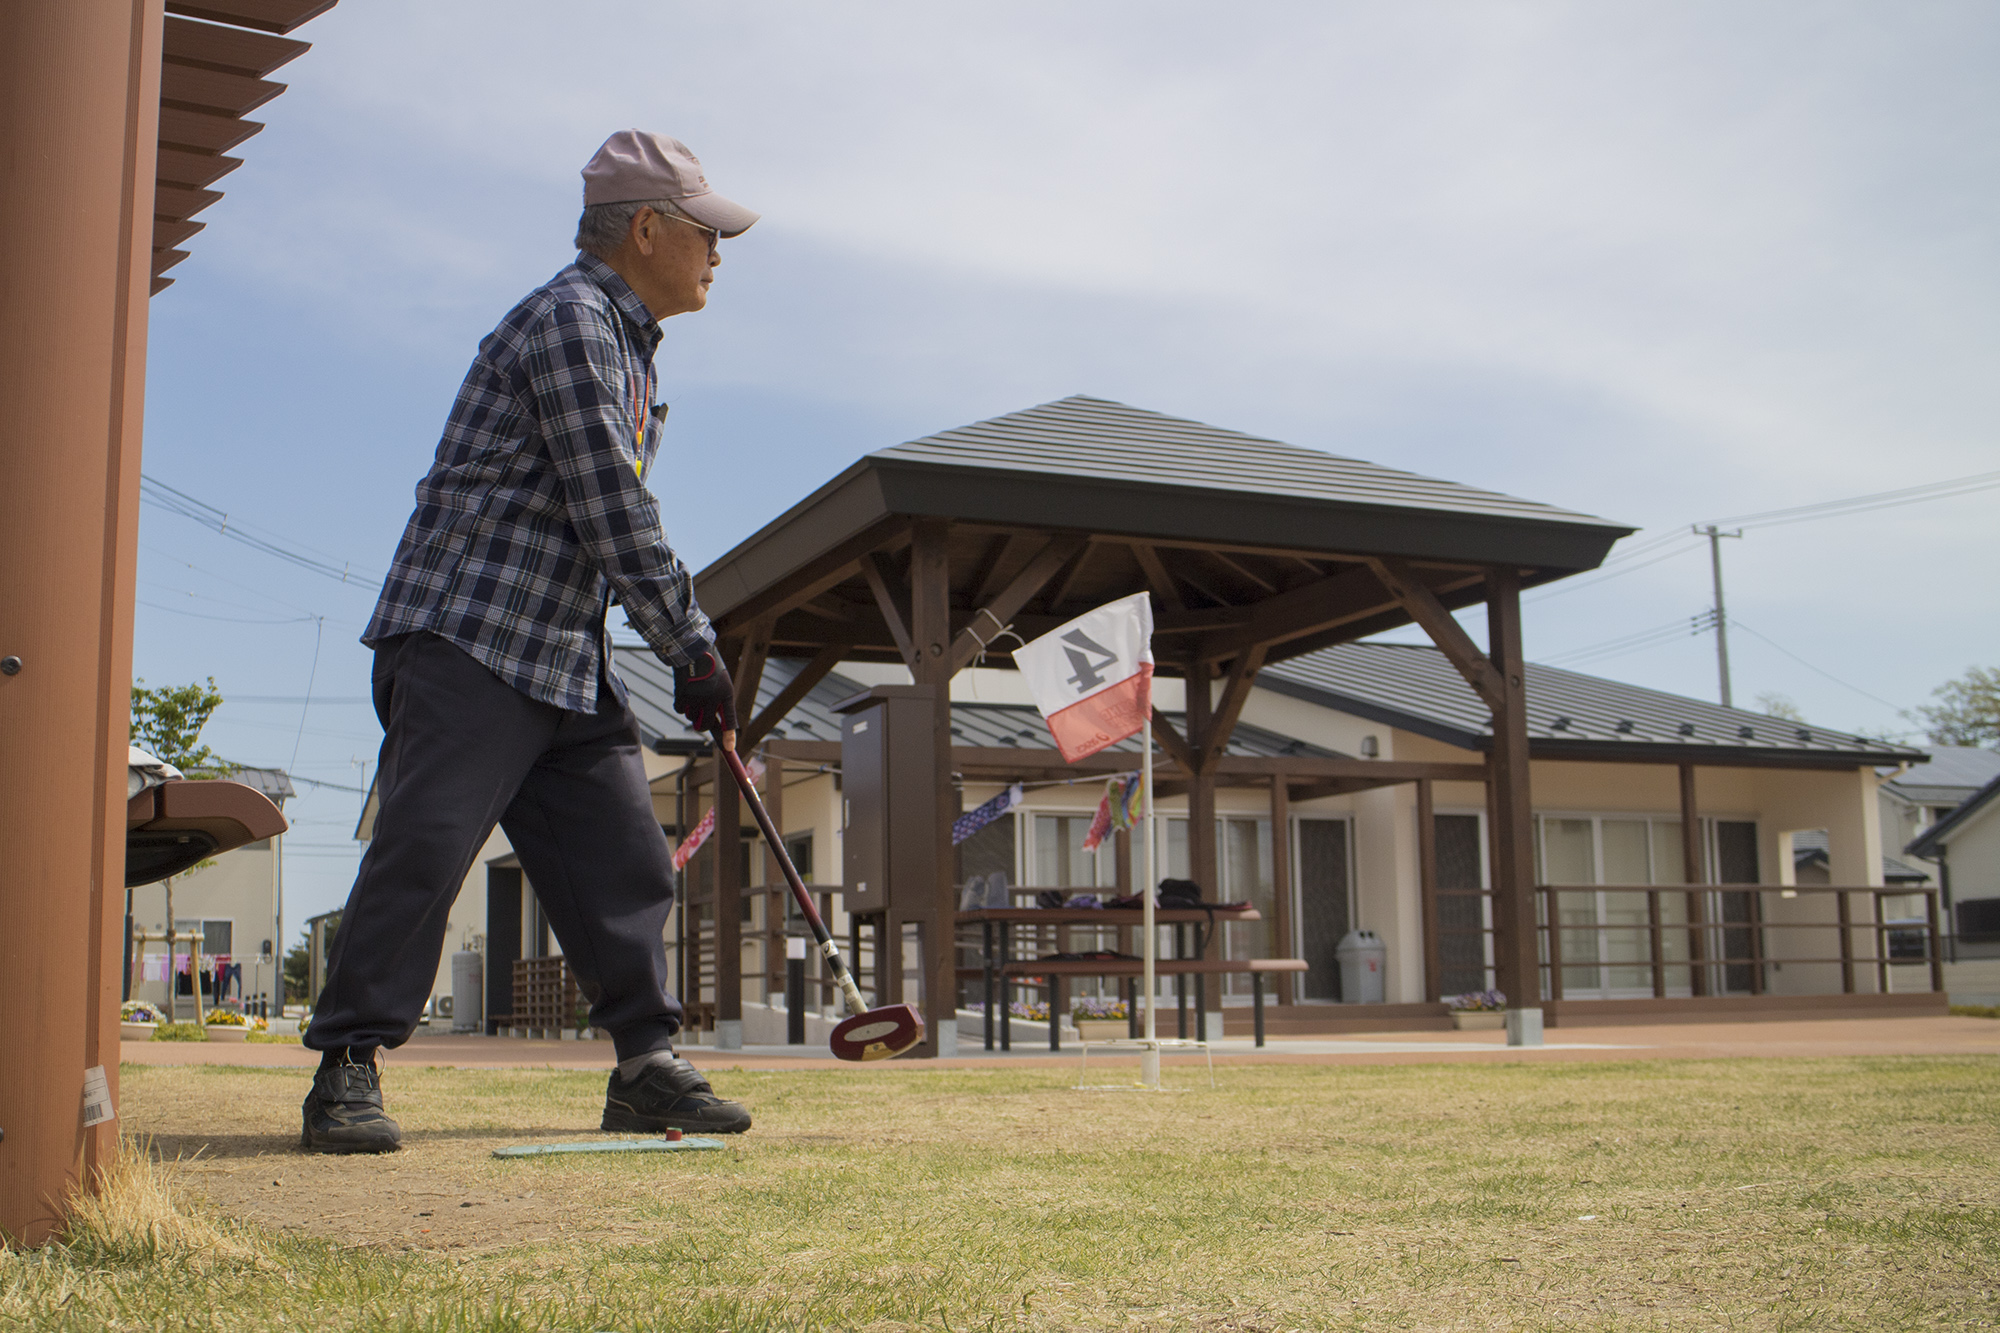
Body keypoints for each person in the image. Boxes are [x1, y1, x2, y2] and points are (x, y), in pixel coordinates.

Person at [299, 131, 757, 1154]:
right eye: (705, 233)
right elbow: (610, 501)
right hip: (470, 632)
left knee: (624, 857)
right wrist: (689, 644)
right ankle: (346, 1067)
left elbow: (600, 519)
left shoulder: (625, 340)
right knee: (426, 849)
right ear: (646, 230)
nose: (718, 253)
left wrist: (670, 645)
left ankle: (643, 1066)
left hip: (560, 650)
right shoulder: (570, 321)